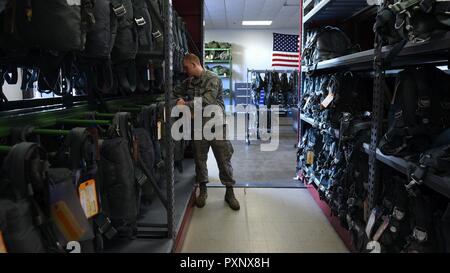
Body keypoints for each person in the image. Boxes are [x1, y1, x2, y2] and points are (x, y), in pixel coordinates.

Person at [172, 53, 240, 210]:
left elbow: (208, 101)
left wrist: (186, 105)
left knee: (224, 160)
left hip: (216, 127)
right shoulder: (189, 82)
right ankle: (203, 190)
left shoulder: (212, 78)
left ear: (194, 64)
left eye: (186, 67)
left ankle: (229, 192)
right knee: (199, 160)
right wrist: (177, 100)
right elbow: (175, 92)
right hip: (198, 128)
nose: (185, 70)